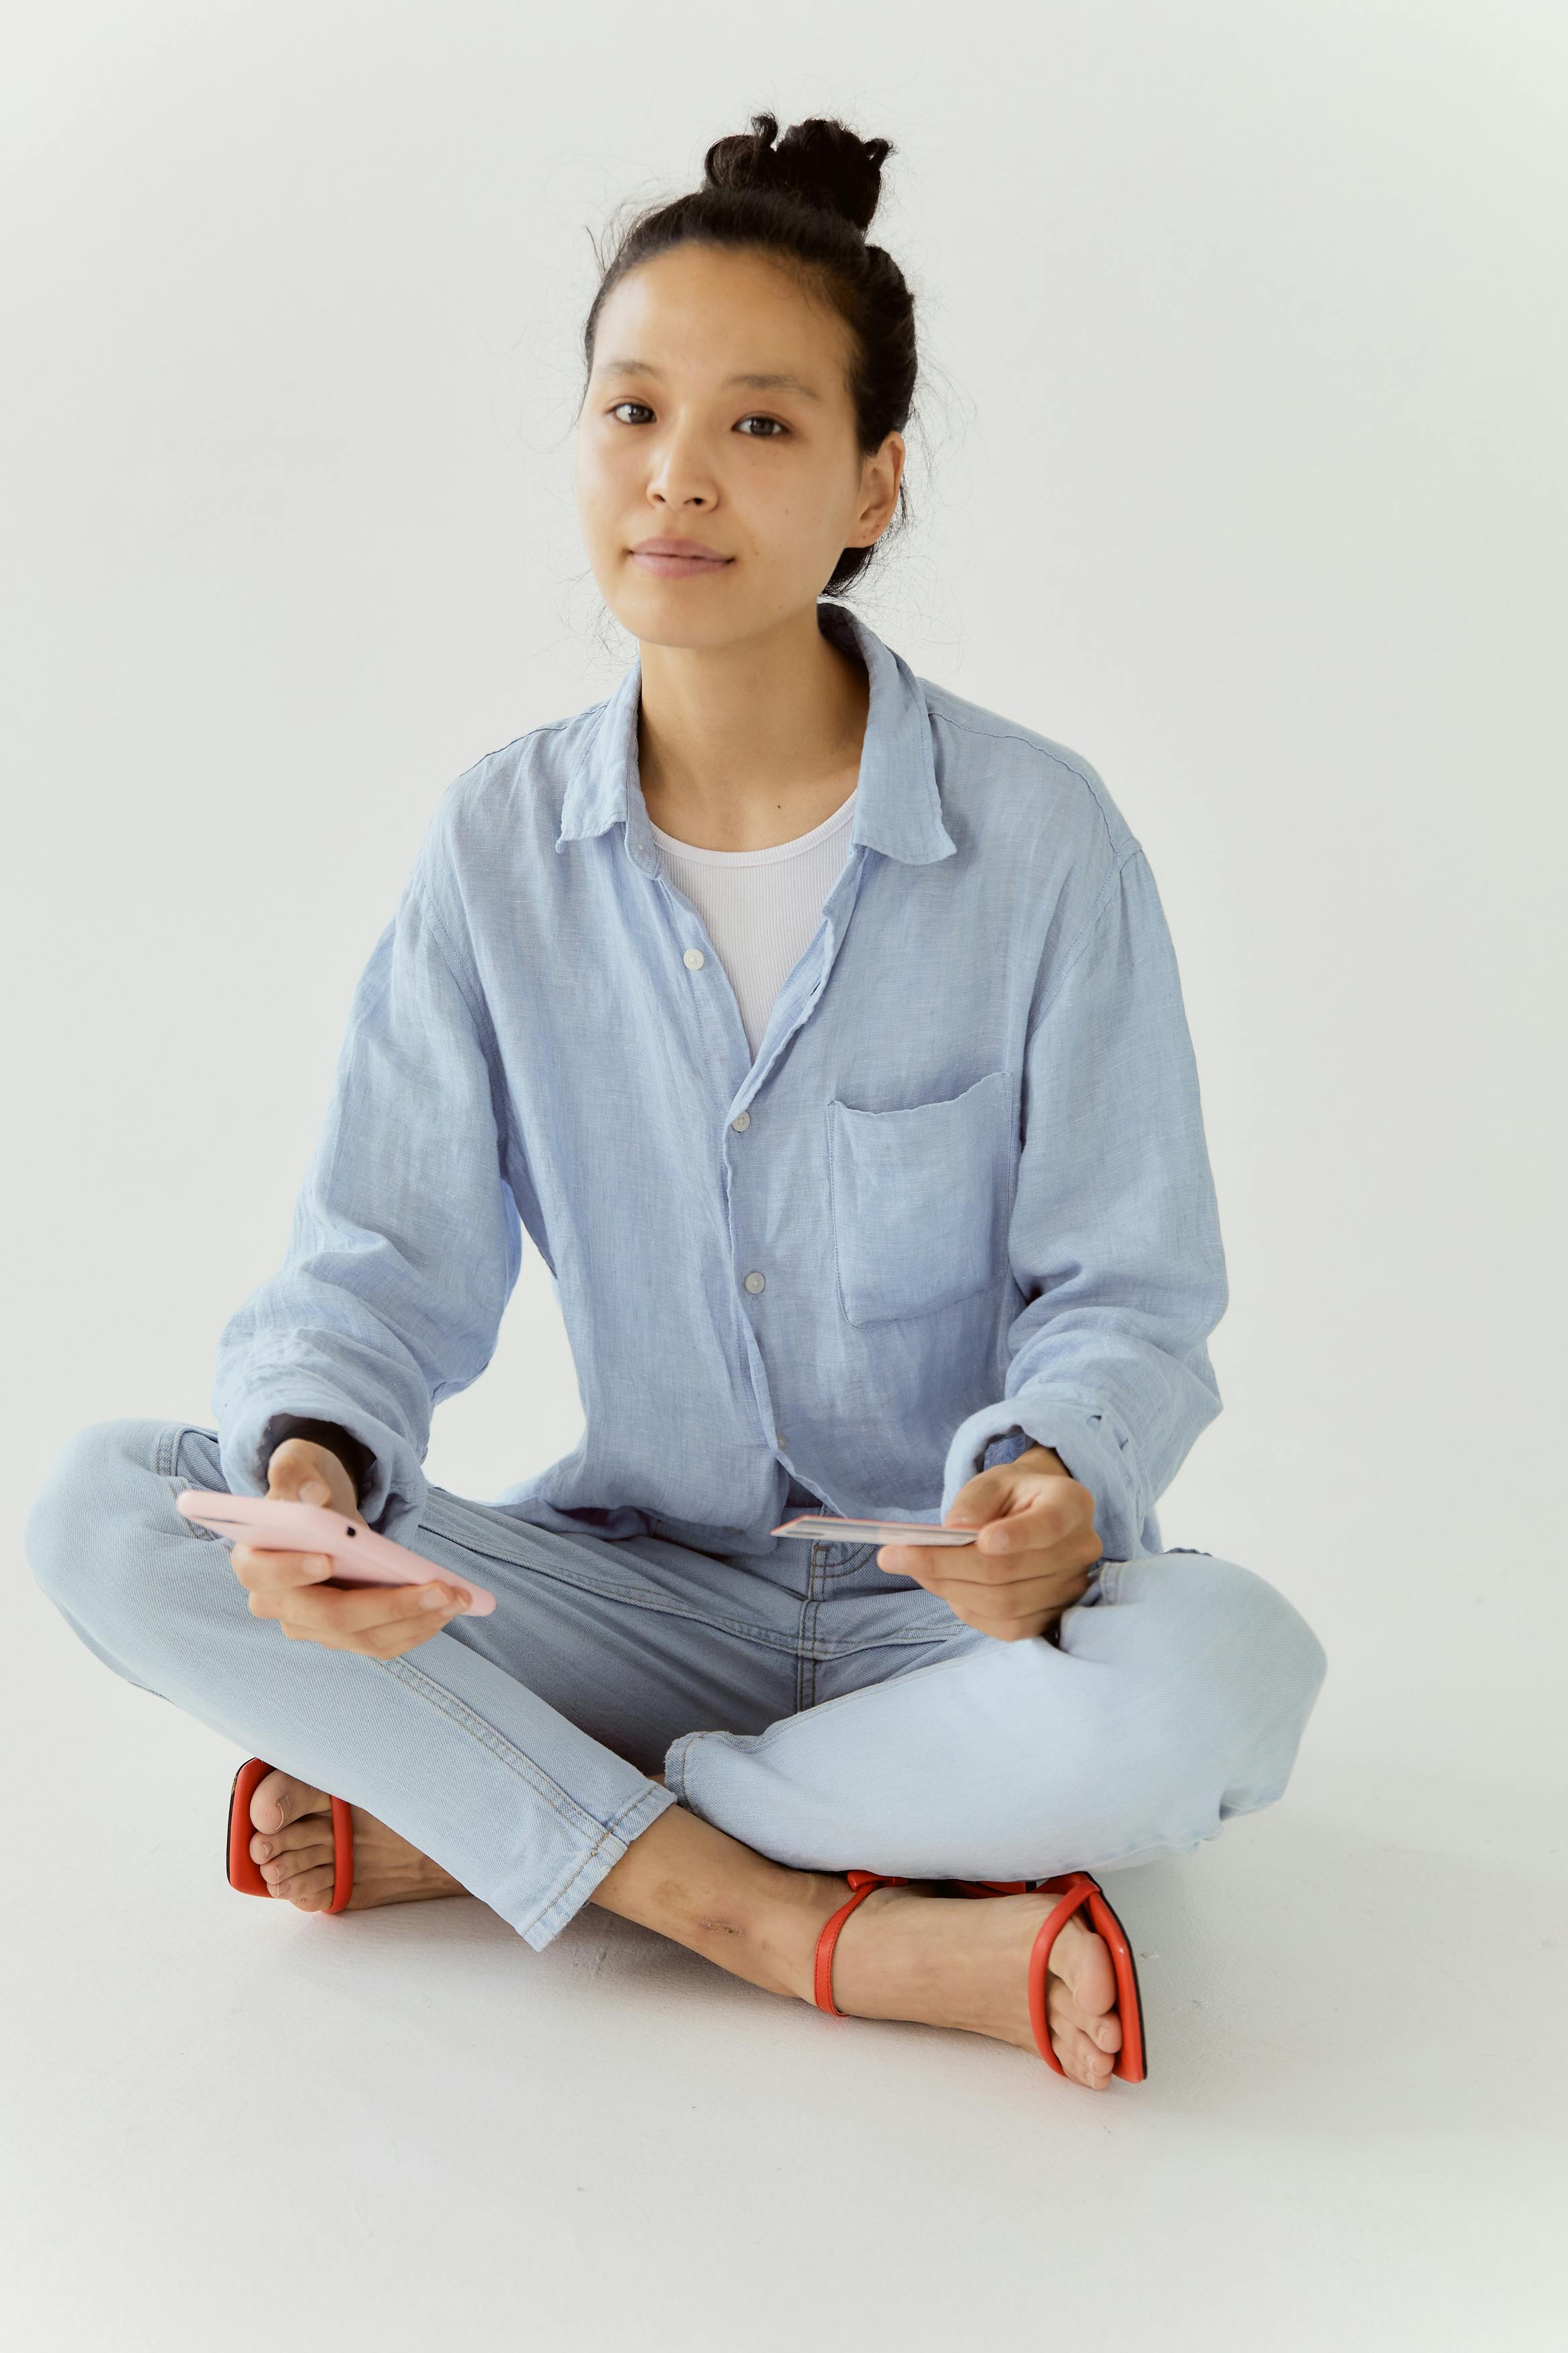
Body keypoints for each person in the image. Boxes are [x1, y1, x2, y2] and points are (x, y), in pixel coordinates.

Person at [26, 112, 1327, 2092]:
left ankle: (504, 1819)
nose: (678, 473)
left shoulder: (1044, 840)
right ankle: (780, 1915)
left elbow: (1130, 1292)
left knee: (1225, 1683)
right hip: (624, 1584)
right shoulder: (494, 852)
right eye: (631, 408)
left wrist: (1057, 1482)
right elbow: (370, 1272)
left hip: (939, 1623)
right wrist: (313, 1472)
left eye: (765, 426)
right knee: (113, 1509)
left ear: (878, 481)